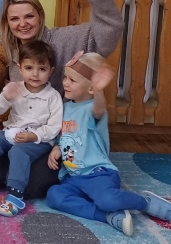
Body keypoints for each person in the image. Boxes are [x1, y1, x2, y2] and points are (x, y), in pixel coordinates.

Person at [0, 0, 124, 199]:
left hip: (62, 137)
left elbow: (108, 34)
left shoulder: (65, 39)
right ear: (7, 23)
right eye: (15, 19)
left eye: (29, 16)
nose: (23, 24)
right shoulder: (13, 56)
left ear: (40, 16)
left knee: (30, 187)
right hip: (28, 136)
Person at [45, 52, 171, 235]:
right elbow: (64, 136)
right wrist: (57, 147)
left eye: (72, 80)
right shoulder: (65, 108)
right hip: (74, 178)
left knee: (107, 200)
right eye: (65, 77)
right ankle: (108, 217)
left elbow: (99, 109)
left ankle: (146, 203)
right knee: (54, 196)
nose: (65, 83)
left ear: (90, 89)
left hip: (99, 174)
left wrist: (99, 91)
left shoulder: (92, 109)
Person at [0, 40, 63, 217]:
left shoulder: (53, 97)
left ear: (51, 71)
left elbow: (54, 127)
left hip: (39, 140)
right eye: (29, 68)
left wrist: (33, 135)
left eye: (42, 69)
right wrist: (5, 97)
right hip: (12, 132)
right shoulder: (15, 88)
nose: (35, 74)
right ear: (20, 68)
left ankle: (15, 195)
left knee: (19, 152)